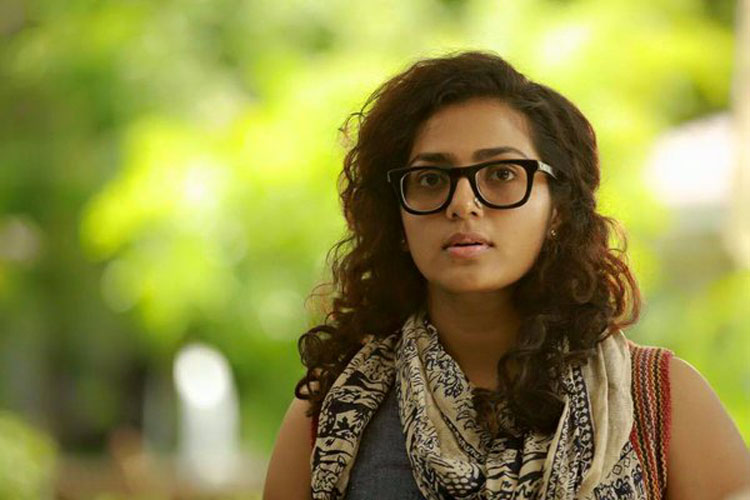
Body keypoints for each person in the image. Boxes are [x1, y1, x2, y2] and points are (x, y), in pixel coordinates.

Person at [264, 50, 750, 499]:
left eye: (500, 174)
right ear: (397, 216)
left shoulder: (663, 400)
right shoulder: (332, 412)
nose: (462, 204)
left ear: (557, 208)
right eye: (430, 179)